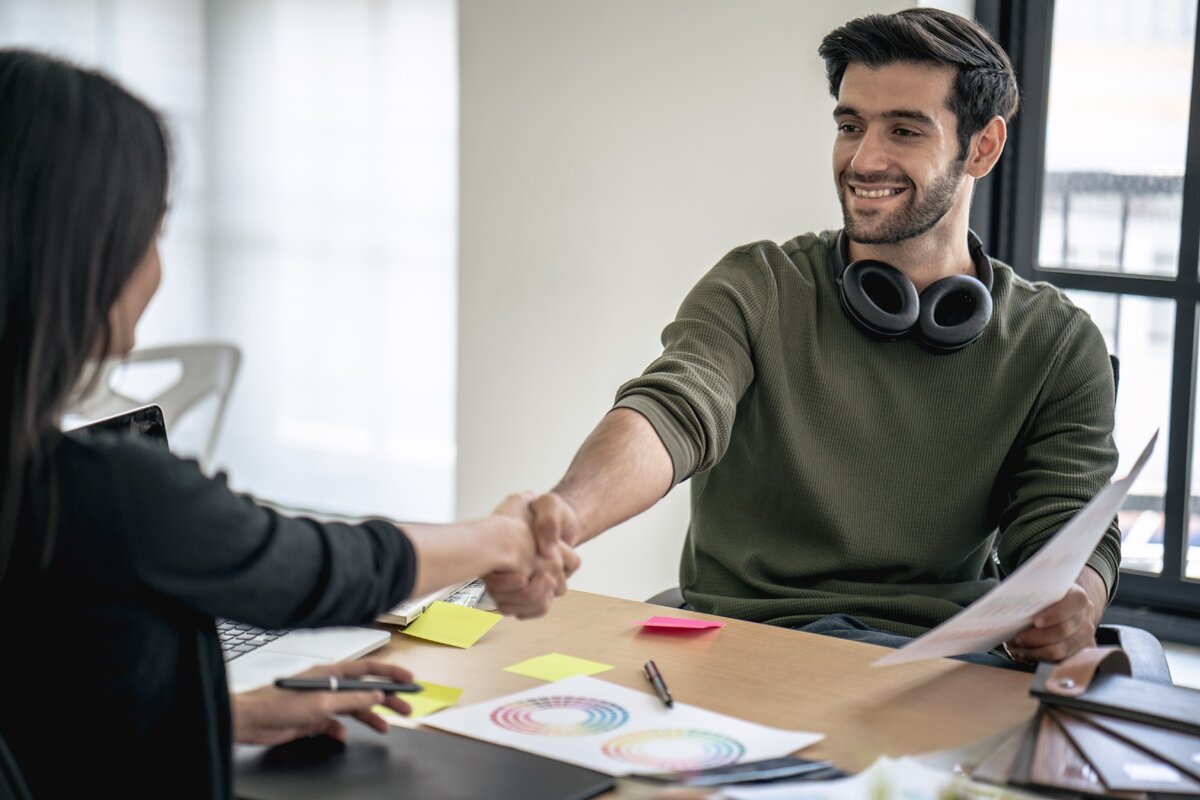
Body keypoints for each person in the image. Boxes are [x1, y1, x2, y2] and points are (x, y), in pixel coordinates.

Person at [0, 49, 576, 798]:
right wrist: (502, 538)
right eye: (152, 232)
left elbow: (40, 705)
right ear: (86, 255)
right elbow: (310, 569)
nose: (158, 266)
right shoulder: (95, 490)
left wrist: (222, 712)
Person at [493, 8, 1120, 668]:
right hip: (747, 651)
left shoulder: (1056, 343)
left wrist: (1076, 596)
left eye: (904, 129)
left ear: (982, 148)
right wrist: (559, 517)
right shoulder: (759, 286)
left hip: (943, 668)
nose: (863, 158)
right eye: (851, 126)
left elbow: (1069, 529)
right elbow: (671, 411)